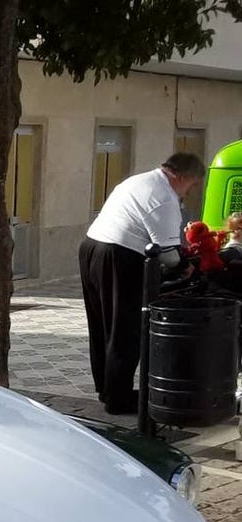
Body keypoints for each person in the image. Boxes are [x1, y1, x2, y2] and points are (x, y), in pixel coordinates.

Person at [79, 152, 205, 414]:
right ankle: (118, 399)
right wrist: (187, 266)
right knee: (125, 328)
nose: (190, 192)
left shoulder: (138, 181)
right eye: (192, 185)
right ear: (183, 177)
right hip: (118, 255)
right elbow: (169, 255)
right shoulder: (164, 198)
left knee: (102, 325)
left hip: (92, 247)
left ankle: (108, 388)